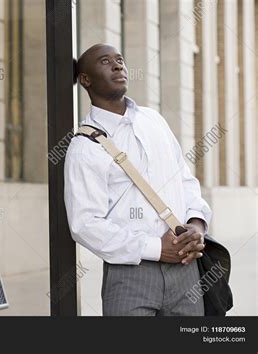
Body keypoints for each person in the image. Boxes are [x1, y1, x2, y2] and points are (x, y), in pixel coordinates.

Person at [64, 44, 212, 316]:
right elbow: (84, 224)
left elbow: (185, 181)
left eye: (120, 59)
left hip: (186, 271)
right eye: (105, 61)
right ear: (85, 79)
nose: (118, 65)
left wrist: (197, 224)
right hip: (130, 276)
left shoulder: (155, 121)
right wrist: (157, 249)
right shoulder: (84, 147)